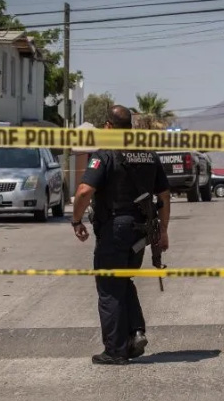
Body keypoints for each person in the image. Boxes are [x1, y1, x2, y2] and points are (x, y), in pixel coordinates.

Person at [72, 105, 171, 365]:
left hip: (115, 229)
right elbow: (164, 195)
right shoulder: (149, 155)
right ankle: (135, 334)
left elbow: (83, 191)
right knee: (124, 281)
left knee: (109, 289)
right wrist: (163, 231)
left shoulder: (105, 154)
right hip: (141, 232)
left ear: (108, 126)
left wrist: (75, 220)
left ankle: (115, 351)